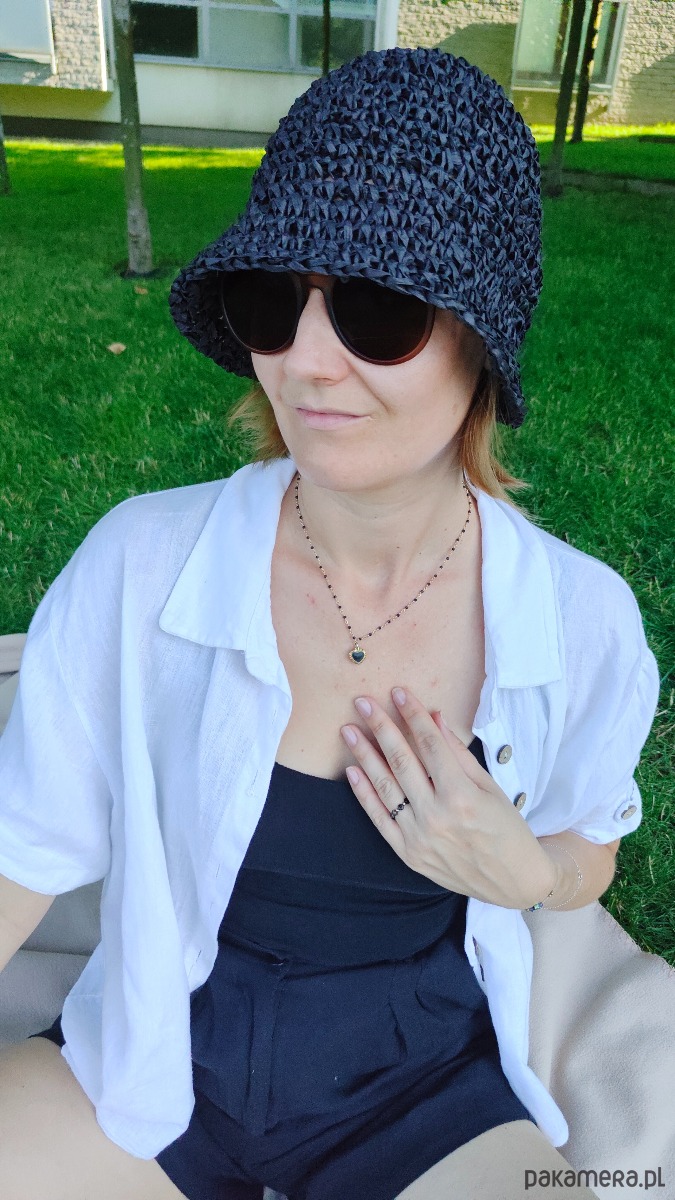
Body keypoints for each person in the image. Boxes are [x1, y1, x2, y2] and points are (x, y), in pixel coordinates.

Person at [0, 47, 661, 1200]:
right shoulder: (142, 564)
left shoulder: (580, 622)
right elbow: (21, 854)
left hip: (423, 1089)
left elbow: (589, 846)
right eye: (272, 301)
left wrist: (525, 871)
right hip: (152, 1056)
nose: (307, 362)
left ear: (482, 340)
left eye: (377, 309)